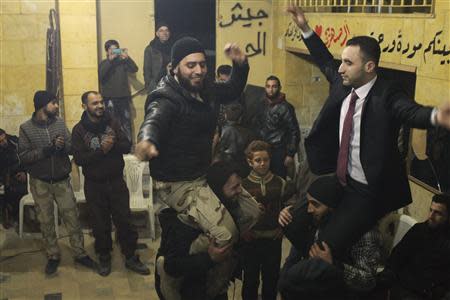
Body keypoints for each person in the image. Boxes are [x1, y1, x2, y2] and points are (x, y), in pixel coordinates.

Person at [286, 5, 450, 256]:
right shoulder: (343, 85)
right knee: (291, 223)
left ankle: (330, 267)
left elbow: (409, 110)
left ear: (369, 67)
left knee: (325, 249)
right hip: (338, 177)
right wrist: (305, 28)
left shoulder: (387, 94)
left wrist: (435, 115)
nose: (340, 68)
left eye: (348, 63)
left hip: (365, 191)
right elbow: (324, 60)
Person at [136, 37, 259, 252]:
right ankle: (184, 252)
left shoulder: (205, 88)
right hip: (176, 181)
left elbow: (231, 90)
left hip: (201, 171)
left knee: (252, 212)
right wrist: (147, 140)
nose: (199, 70)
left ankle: (205, 227)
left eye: (202, 64)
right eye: (190, 65)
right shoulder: (166, 97)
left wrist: (240, 65)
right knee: (226, 235)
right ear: (173, 68)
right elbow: (154, 119)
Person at [71, 91, 150, 277]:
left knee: (124, 220)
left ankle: (130, 256)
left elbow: (127, 144)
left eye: (101, 102)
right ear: (85, 106)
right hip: (94, 184)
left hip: (116, 182)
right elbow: (80, 159)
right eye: (94, 103)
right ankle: (104, 256)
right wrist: (101, 150)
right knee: (99, 223)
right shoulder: (79, 130)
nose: (100, 106)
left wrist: (113, 144)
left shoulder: (112, 122)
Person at [18, 90, 95, 275]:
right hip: (40, 182)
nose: (57, 106)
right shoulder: (26, 128)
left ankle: (79, 253)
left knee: (72, 217)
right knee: (45, 221)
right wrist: (47, 150)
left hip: (61, 180)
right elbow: (23, 156)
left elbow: (71, 147)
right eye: (53, 103)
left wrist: (62, 147)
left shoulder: (59, 123)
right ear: (42, 105)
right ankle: (53, 255)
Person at [156, 161, 250, 300]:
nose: (240, 191)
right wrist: (209, 258)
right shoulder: (185, 221)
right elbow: (172, 266)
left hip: (216, 289)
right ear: (218, 189)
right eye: (235, 187)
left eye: (240, 185)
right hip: (190, 292)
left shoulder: (229, 210)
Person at [278, 175, 382, 300]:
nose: (309, 210)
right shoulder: (319, 219)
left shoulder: (365, 232)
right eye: (308, 202)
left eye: (315, 205)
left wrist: (333, 264)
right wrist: (287, 214)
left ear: (333, 208)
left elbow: (368, 280)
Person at [240, 140, 289, 300]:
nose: (262, 164)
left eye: (266, 160)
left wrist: (283, 229)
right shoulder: (242, 186)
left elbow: (289, 207)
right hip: (251, 241)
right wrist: (243, 230)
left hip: (273, 239)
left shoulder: (280, 183)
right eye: (258, 160)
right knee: (250, 279)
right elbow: (236, 213)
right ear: (250, 162)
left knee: (271, 278)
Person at [378, 193, 450, 300]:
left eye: (438, 213)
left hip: (423, 293)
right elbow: (397, 255)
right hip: (400, 285)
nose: (431, 216)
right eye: (430, 210)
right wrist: (388, 281)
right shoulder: (419, 230)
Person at [257, 75, 300, 179]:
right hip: (263, 150)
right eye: (268, 86)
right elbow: (258, 125)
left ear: (279, 88)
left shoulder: (286, 107)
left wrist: (290, 154)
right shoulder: (262, 104)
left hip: (279, 151)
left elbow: (294, 132)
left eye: (274, 86)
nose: (270, 90)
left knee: (279, 180)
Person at [99, 39, 138, 143]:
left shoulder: (123, 62)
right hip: (109, 98)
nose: (114, 51)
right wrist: (110, 61)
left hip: (123, 97)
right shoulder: (104, 63)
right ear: (107, 51)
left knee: (126, 123)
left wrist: (128, 58)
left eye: (116, 49)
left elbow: (135, 69)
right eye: (112, 49)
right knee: (111, 123)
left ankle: (128, 146)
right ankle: (112, 145)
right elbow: (101, 76)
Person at [214, 103, 255, 173]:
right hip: (242, 166)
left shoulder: (221, 131)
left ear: (225, 116)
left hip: (224, 166)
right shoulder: (249, 133)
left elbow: (217, 149)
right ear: (241, 118)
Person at [0, 128, 27, 228]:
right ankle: (13, 216)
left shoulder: (15, 142)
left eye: (4, 139)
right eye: (1, 141)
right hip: (7, 176)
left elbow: (26, 158)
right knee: (11, 189)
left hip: (22, 173)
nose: (4, 142)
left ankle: (23, 217)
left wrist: (24, 173)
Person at [144, 22, 172, 94]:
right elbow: (147, 70)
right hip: (156, 84)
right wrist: (150, 86)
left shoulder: (173, 47)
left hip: (171, 83)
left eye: (167, 30)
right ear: (157, 34)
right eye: (161, 31)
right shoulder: (150, 49)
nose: (165, 33)